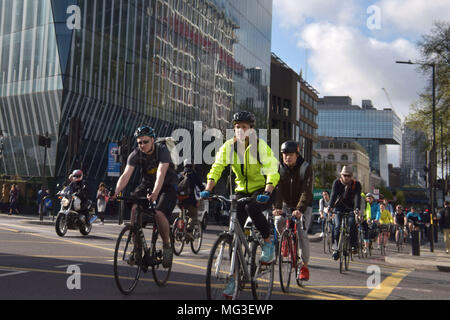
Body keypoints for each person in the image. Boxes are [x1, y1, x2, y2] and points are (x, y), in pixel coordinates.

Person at [200, 111, 280, 298]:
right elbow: (217, 167)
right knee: (234, 228)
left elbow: (272, 170)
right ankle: (234, 278)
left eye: (244, 127)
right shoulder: (229, 147)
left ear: (251, 130)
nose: (240, 130)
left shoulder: (260, 146)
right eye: (237, 127)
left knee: (252, 208)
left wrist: (267, 192)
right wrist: (209, 188)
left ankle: (268, 244)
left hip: (263, 189)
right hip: (241, 190)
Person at [112, 126, 178, 269]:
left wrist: (155, 193)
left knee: (159, 213)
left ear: (153, 140)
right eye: (139, 142)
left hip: (167, 186)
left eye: (145, 142)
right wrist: (115, 192)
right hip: (147, 184)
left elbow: (161, 173)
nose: (142, 145)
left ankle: (167, 245)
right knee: (135, 208)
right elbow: (126, 175)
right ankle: (137, 249)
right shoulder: (136, 154)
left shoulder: (162, 150)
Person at [273, 141, 313, 282]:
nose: (287, 158)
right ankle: (285, 240)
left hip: (304, 205)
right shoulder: (279, 168)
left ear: (297, 154)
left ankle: (304, 266)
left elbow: (306, 191)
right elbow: (276, 188)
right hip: (286, 203)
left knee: (301, 232)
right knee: (278, 222)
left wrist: (299, 209)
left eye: (290, 155)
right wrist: (277, 207)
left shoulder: (305, 168)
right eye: (284, 155)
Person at [327, 166, 362, 261]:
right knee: (337, 226)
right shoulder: (337, 183)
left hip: (351, 208)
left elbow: (357, 197)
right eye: (344, 175)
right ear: (341, 175)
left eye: (348, 175)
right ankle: (335, 248)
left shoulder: (357, 184)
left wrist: (357, 208)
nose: (346, 177)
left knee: (352, 224)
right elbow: (333, 195)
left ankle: (353, 246)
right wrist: (330, 206)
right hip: (339, 208)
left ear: (351, 176)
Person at [179, 159, 205, 242]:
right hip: (190, 199)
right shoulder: (193, 174)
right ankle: (189, 231)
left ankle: (179, 228)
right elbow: (201, 186)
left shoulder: (180, 174)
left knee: (182, 213)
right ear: (192, 165)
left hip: (180, 200)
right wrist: (206, 192)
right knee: (194, 214)